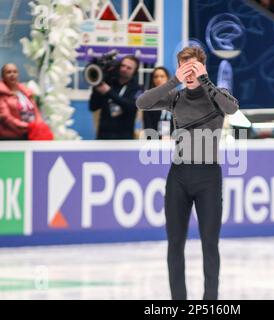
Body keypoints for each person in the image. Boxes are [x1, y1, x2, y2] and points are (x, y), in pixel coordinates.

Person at [136, 46, 239, 300]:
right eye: (183, 66)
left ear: (202, 66)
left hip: (208, 178)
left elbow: (231, 109)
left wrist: (204, 80)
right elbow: (142, 102)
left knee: (210, 244)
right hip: (179, 177)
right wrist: (174, 80)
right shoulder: (176, 97)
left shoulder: (217, 95)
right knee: (175, 244)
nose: (188, 72)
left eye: (192, 66)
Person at [89, 55, 141, 139]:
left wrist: (109, 92)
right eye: (123, 66)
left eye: (129, 68)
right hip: (103, 136)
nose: (124, 69)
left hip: (124, 137)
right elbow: (93, 107)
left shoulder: (137, 89)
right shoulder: (109, 83)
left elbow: (131, 107)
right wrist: (96, 87)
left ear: (134, 72)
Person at [0, 63, 43, 140]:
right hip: (12, 137)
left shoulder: (25, 91)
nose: (12, 74)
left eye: (15, 72)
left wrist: (38, 125)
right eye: (8, 72)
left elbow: (36, 111)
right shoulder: (0, 95)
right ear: (3, 76)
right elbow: (6, 118)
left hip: (31, 133)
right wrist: (27, 127)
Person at [142, 66, 171, 134]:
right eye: (156, 76)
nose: (159, 79)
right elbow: (147, 123)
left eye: (162, 76)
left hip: (172, 138)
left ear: (167, 78)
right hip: (154, 139)